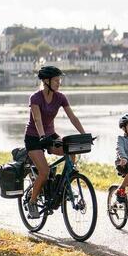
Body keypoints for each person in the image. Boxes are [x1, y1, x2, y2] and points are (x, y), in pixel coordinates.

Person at [24, 65, 87, 219]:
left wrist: (84, 134)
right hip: (34, 138)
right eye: (56, 80)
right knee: (44, 172)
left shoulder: (60, 97)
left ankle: (63, 185)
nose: (59, 83)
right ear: (46, 81)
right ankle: (32, 202)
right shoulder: (35, 97)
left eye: (60, 80)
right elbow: (37, 119)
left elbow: (72, 117)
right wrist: (42, 137)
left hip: (50, 135)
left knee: (70, 151)